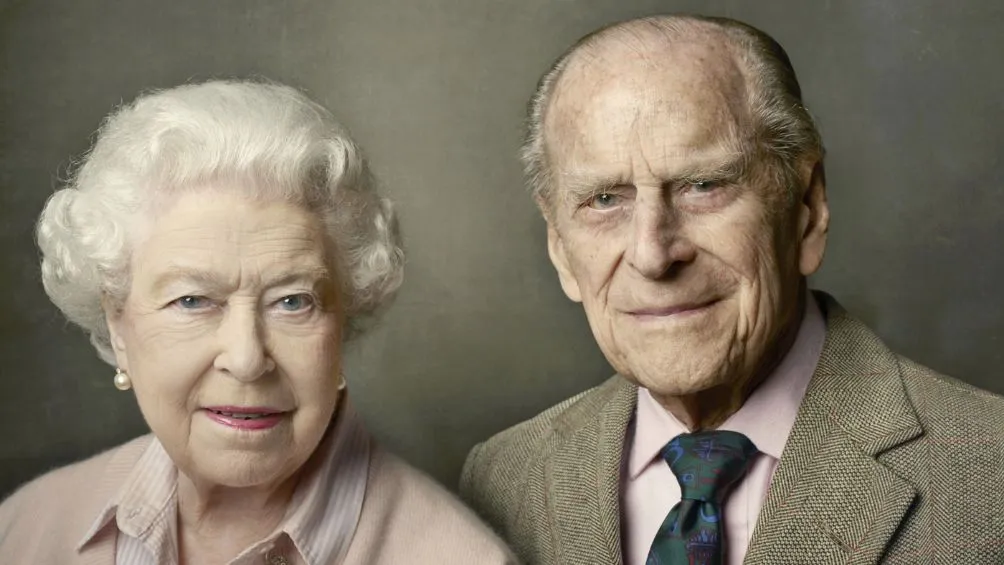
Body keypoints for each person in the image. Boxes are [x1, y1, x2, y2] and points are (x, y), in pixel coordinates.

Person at [459, 14, 1004, 565]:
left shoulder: (988, 472)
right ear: (559, 246)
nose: (652, 254)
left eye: (703, 185)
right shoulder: (503, 478)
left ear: (807, 209)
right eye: (604, 200)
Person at [0, 79, 517, 565]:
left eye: (292, 302)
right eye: (192, 300)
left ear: (343, 323)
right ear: (118, 326)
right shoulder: (27, 529)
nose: (247, 359)